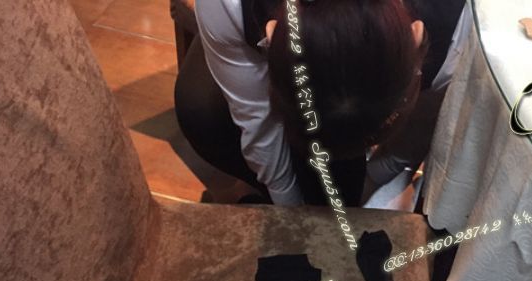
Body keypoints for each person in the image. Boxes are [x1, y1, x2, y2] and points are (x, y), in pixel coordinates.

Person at [174, 0, 472, 206]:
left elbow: (426, 119)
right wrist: (288, 205)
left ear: (415, 35)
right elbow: (255, 117)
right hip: (248, 26)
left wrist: (375, 176)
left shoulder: (470, 27)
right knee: (201, 112)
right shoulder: (227, 5)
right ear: (272, 37)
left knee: (339, 185)